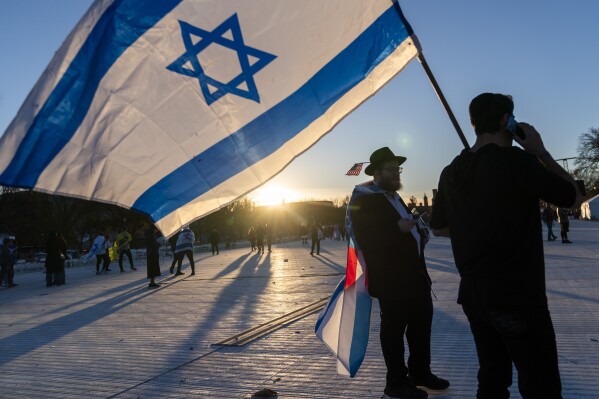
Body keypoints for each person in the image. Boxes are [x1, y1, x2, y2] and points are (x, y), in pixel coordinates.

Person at [430, 93, 582, 399]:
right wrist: (541, 151)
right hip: (518, 296)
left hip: (474, 295)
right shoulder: (517, 162)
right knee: (541, 386)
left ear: (473, 123)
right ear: (505, 121)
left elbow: (439, 227)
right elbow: (573, 196)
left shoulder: (451, 172)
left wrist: (475, 227)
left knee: (492, 379)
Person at [350, 147, 448, 399]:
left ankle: (420, 372)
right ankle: (395, 382)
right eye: (391, 170)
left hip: (415, 276)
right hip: (391, 279)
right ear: (377, 173)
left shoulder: (392, 196)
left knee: (420, 325)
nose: (396, 174)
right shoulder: (365, 199)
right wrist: (400, 230)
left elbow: (405, 226)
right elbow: (367, 237)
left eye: (398, 169)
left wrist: (417, 231)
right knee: (393, 330)